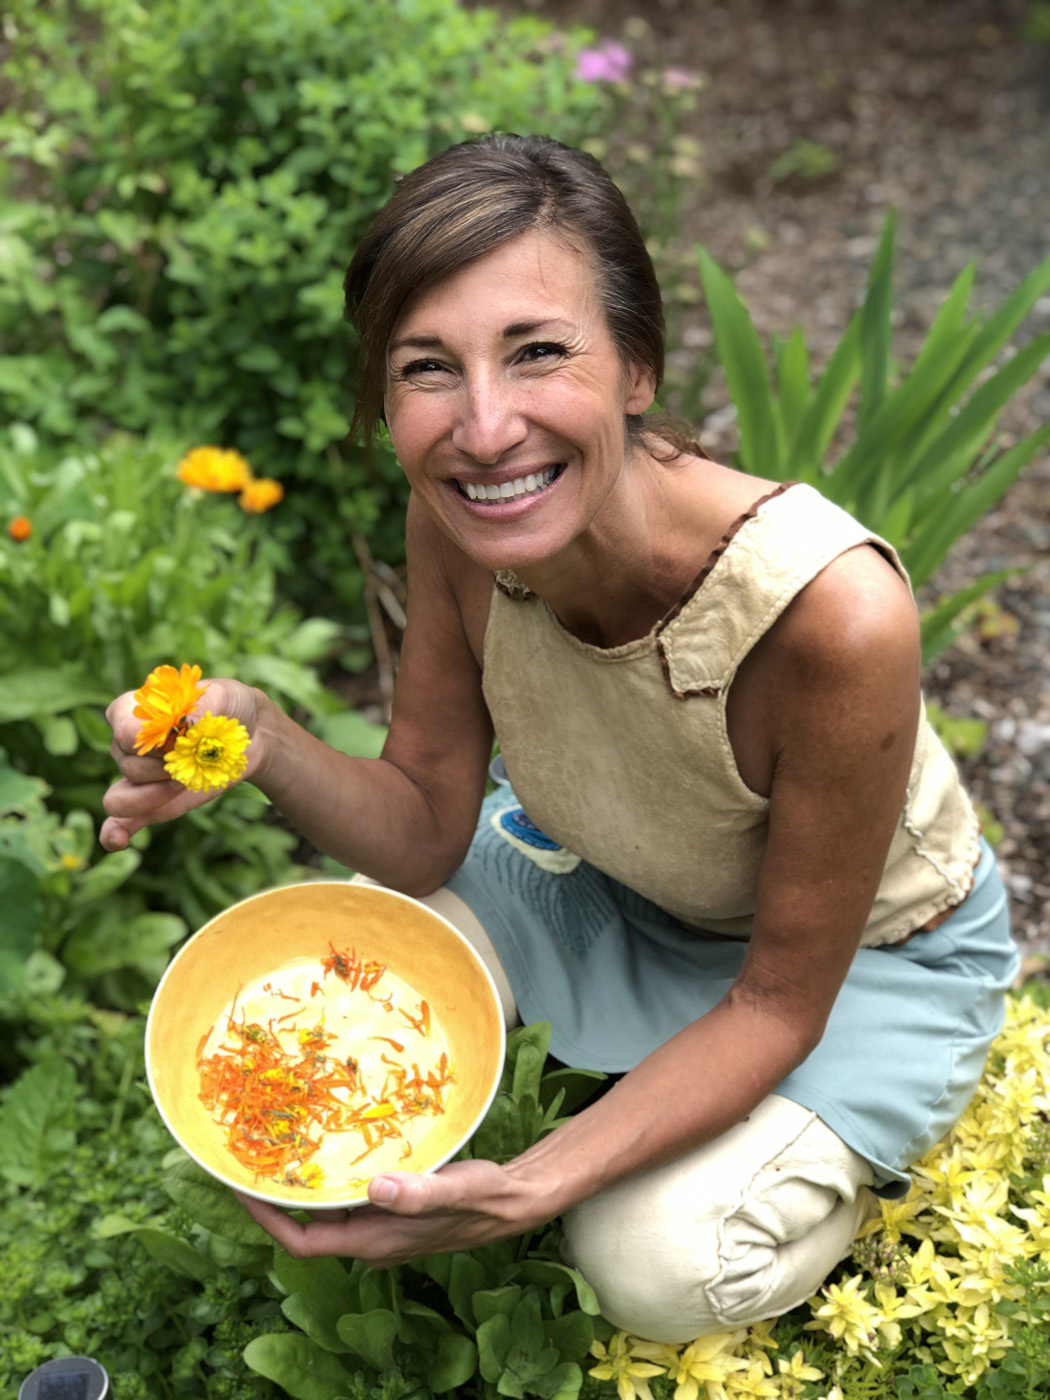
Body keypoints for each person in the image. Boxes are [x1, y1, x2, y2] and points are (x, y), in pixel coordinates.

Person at [101, 134, 1018, 1343]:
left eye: (537, 352)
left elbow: (777, 1003)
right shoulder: (464, 522)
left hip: (861, 961)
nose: (485, 429)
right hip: (626, 883)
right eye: (430, 368)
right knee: (337, 983)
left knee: (649, 1263)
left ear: (636, 367)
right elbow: (427, 825)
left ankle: (854, 1151)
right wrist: (262, 736)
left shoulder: (828, 612)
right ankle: (628, 1060)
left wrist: (526, 1189)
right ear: (386, 395)